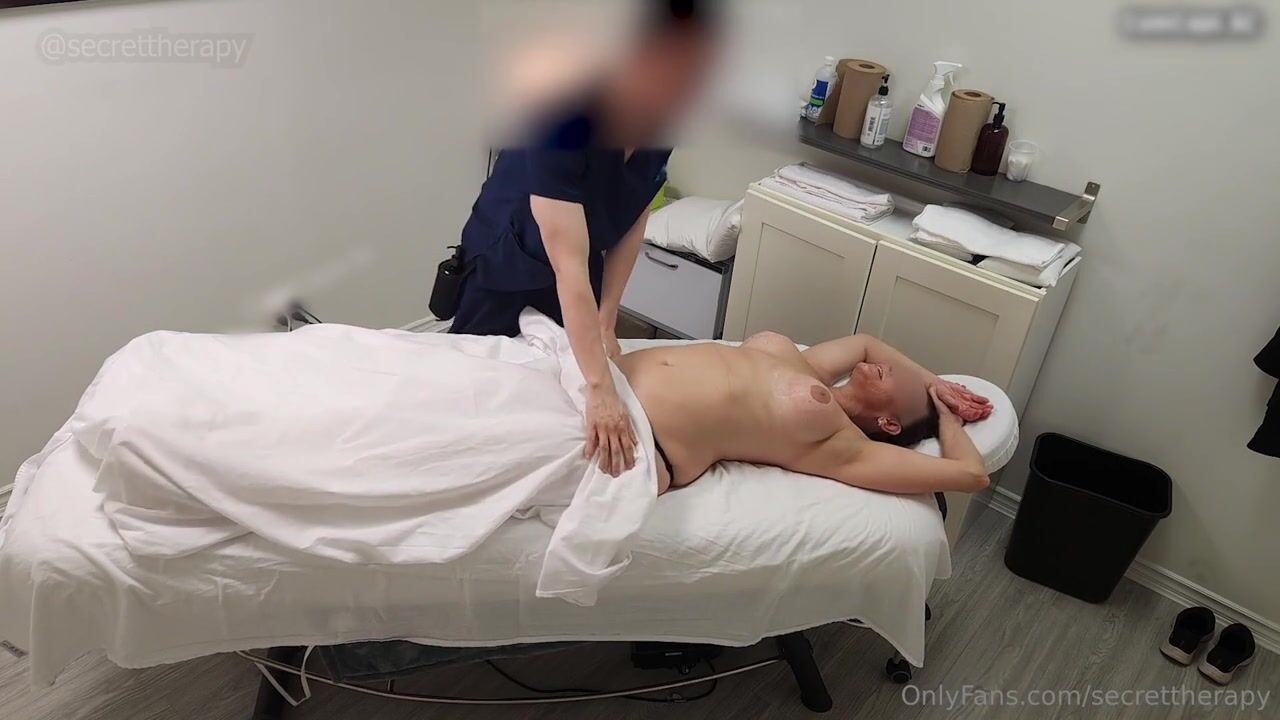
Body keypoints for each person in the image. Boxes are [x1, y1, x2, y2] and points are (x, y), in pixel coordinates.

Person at [449, 0, 718, 478]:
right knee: (476, 384)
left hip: (579, 260)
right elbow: (566, 264)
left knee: (554, 391)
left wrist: (607, 319)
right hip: (508, 259)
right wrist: (599, 388)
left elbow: (634, 216)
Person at [616, 331, 995, 495]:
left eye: (907, 384)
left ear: (890, 424)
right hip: (604, 384)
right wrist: (936, 383)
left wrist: (945, 415)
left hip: (642, 439)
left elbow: (971, 474)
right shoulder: (807, 368)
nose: (897, 369)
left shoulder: (840, 444)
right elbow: (866, 343)